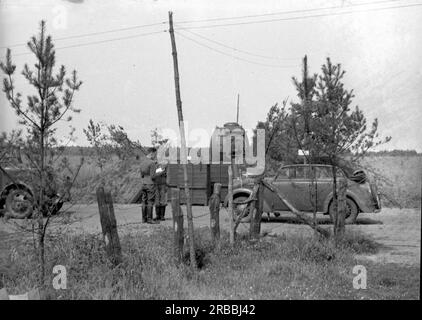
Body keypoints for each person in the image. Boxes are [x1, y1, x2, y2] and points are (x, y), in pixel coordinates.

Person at [139, 148, 159, 224]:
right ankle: (150, 219)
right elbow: (153, 176)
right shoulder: (152, 163)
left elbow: (141, 175)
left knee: (144, 201)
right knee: (150, 201)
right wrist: (158, 172)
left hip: (143, 183)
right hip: (150, 184)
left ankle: (143, 219)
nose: (155, 156)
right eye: (155, 154)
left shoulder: (142, 162)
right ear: (152, 153)